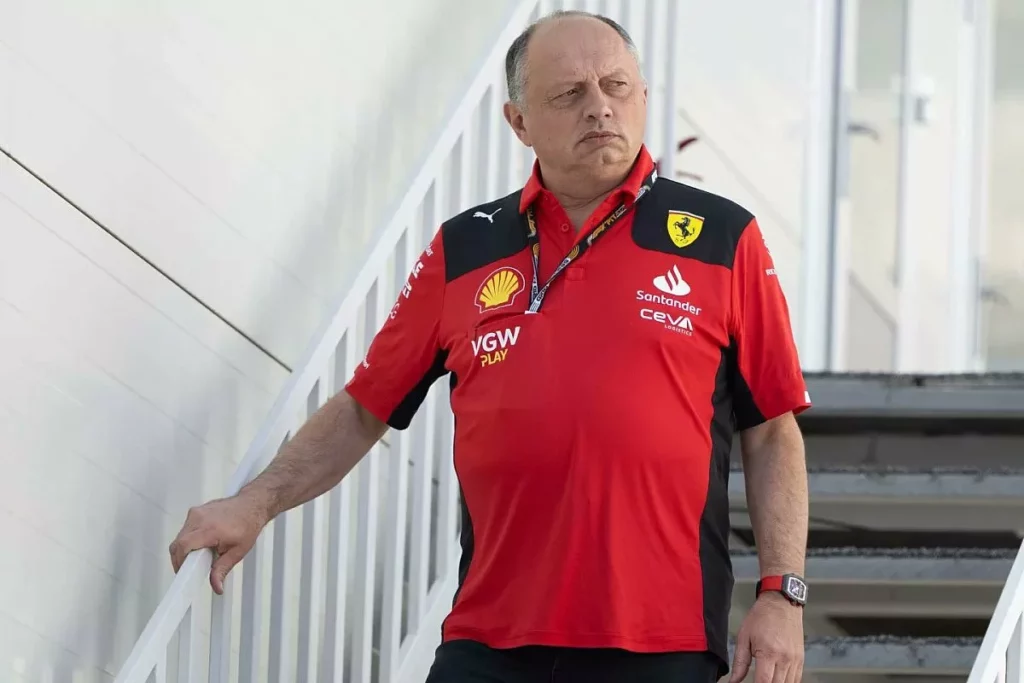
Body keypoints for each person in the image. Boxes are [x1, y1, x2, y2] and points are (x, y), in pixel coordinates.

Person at [168, 10, 810, 683]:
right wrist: (257, 501)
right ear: (518, 122)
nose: (600, 108)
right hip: (488, 642)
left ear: (643, 98)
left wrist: (782, 594)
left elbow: (772, 431)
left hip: (660, 643)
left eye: (616, 86)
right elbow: (364, 408)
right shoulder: (467, 248)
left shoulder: (722, 239)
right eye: (570, 94)